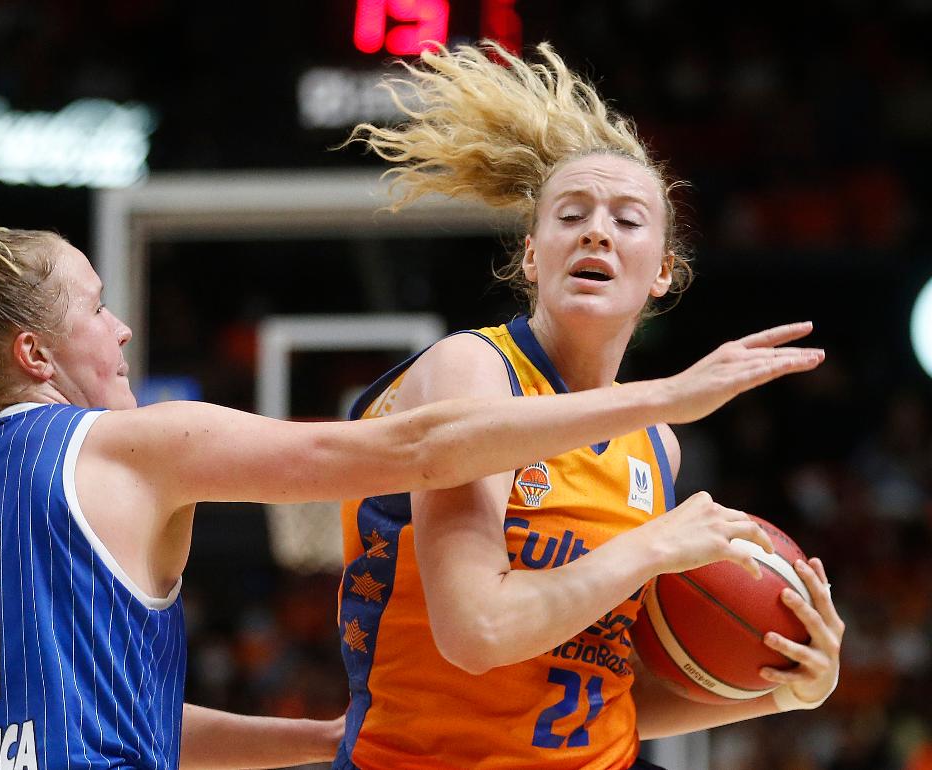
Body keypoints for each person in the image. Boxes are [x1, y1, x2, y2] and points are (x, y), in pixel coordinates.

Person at [0, 180, 820, 770]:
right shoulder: (123, 446)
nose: (121, 324)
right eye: (94, 305)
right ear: (36, 354)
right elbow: (398, 449)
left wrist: (325, 736)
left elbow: (109, 719)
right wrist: (668, 396)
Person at [333, 42, 845, 770]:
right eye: (571, 214)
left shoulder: (656, 445)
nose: (598, 230)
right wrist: (655, 545)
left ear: (664, 271)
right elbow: (475, 631)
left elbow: (607, 690)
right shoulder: (474, 370)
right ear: (533, 256)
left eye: (628, 220)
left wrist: (784, 690)